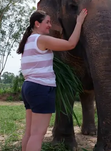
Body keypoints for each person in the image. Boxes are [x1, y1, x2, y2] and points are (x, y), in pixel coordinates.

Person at [17, 8, 88, 151]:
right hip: (41, 88)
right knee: (38, 134)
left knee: (30, 132)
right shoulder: (41, 39)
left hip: (29, 87)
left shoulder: (28, 41)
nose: (50, 25)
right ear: (37, 23)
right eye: (47, 22)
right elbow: (71, 44)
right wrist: (79, 22)